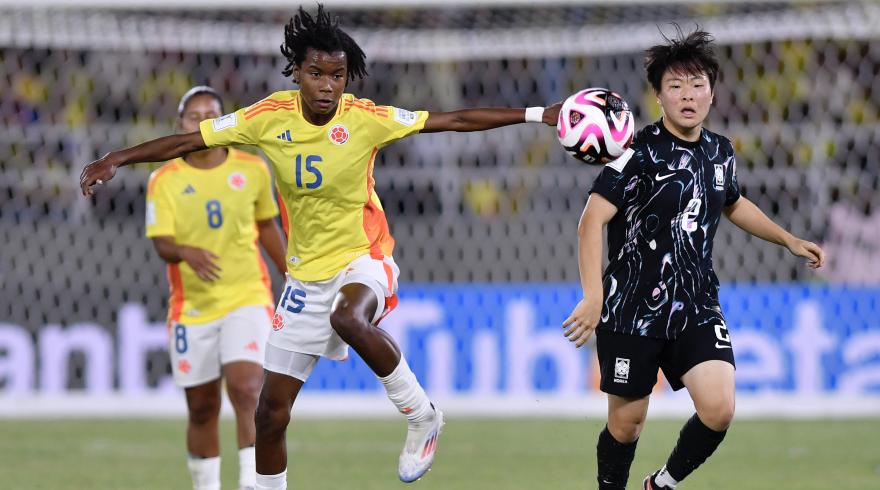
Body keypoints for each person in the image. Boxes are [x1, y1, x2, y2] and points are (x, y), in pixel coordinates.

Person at [80, 5, 559, 489]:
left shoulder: (366, 118)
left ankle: (420, 414)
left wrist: (539, 115)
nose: (328, 85)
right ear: (296, 74)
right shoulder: (266, 117)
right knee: (269, 415)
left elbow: (453, 120)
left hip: (364, 256)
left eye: (338, 75)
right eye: (317, 74)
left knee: (348, 318)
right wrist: (116, 158)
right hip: (305, 277)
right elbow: (187, 143)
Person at [561, 28, 825, 490]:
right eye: (676, 87)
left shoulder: (721, 151)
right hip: (631, 309)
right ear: (658, 97)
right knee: (627, 426)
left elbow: (733, 202)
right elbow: (591, 221)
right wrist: (593, 296)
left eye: (698, 84)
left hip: (695, 305)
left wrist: (788, 239)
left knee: (720, 409)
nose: (689, 95)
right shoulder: (633, 153)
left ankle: (661, 483)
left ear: (713, 93)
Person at [146, 86, 288, 490]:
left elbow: (265, 227)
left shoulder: (253, 168)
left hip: (247, 294)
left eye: (212, 114)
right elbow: (161, 242)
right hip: (193, 306)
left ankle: (250, 483)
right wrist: (185, 252)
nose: (203, 122)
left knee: (247, 390)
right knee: (202, 408)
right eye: (194, 116)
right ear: (180, 125)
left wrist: (293, 273)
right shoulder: (164, 179)